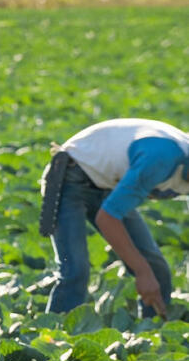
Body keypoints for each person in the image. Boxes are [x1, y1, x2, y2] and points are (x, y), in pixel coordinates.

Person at [42, 118, 188, 318]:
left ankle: (153, 333)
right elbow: (108, 219)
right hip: (71, 174)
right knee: (75, 270)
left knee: (157, 269)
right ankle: (53, 336)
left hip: (109, 185)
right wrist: (141, 272)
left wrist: (147, 269)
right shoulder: (161, 159)